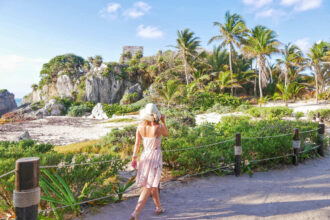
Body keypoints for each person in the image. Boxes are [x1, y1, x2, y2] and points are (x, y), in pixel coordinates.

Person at [130, 103, 168, 220]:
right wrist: (163, 121)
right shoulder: (158, 127)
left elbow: (137, 144)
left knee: (153, 185)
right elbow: (167, 134)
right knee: (148, 186)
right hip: (155, 157)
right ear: (155, 115)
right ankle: (136, 213)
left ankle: (158, 207)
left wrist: (134, 158)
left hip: (145, 156)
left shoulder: (140, 127)